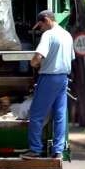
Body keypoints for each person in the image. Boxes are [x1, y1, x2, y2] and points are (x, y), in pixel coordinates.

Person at [20, 10, 74, 160]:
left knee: (36, 115)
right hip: (63, 78)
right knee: (60, 115)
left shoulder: (48, 35)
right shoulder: (67, 35)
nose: (41, 29)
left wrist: (32, 64)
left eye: (41, 26)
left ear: (46, 20)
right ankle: (58, 152)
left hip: (49, 78)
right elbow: (71, 58)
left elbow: (38, 57)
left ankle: (35, 149)